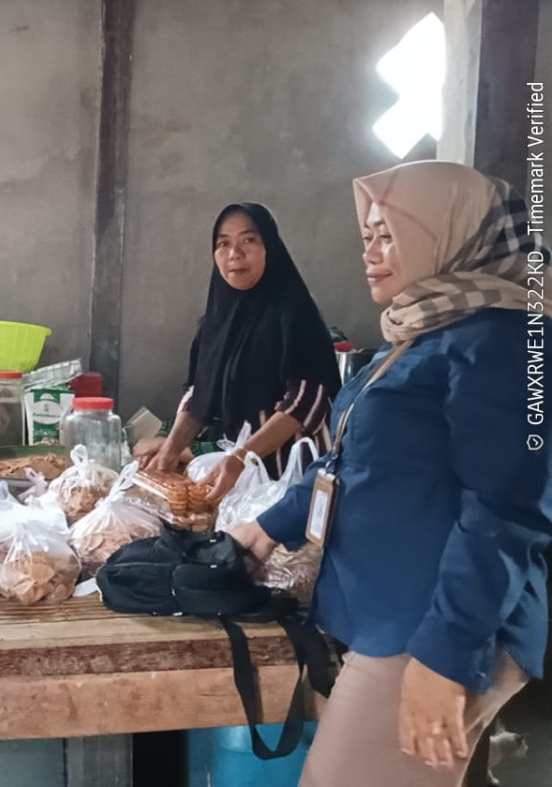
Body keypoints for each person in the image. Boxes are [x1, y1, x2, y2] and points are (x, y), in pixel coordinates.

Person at [229, 161, 552, 786]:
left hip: (432, 627)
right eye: (367, 237)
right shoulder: (425, 328)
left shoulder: (502, 342)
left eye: (389, 236)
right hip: (394, 613)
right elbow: (356, 461)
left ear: (450, 236)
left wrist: (447, 655)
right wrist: (267, 526)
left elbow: (507, 508)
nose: (370, 253)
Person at [136, 202, 341, 500]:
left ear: (269, 247)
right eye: (223, 244)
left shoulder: (295, 314)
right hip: (238, 479)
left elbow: (305, 402)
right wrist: (169, 450)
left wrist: (242, 457)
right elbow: (199, 394)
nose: (235, 253)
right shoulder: (213, 323)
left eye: (249, 240)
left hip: (292, 481)